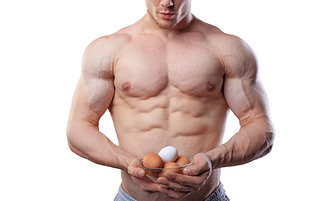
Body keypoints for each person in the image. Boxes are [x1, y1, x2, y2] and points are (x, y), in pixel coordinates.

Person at [67, 0, 275, 200]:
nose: (167, 3)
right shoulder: (108, 50)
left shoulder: (228, 49)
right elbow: (78, 129)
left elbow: (261, 127)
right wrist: (128, 163)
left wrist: (213, 160)